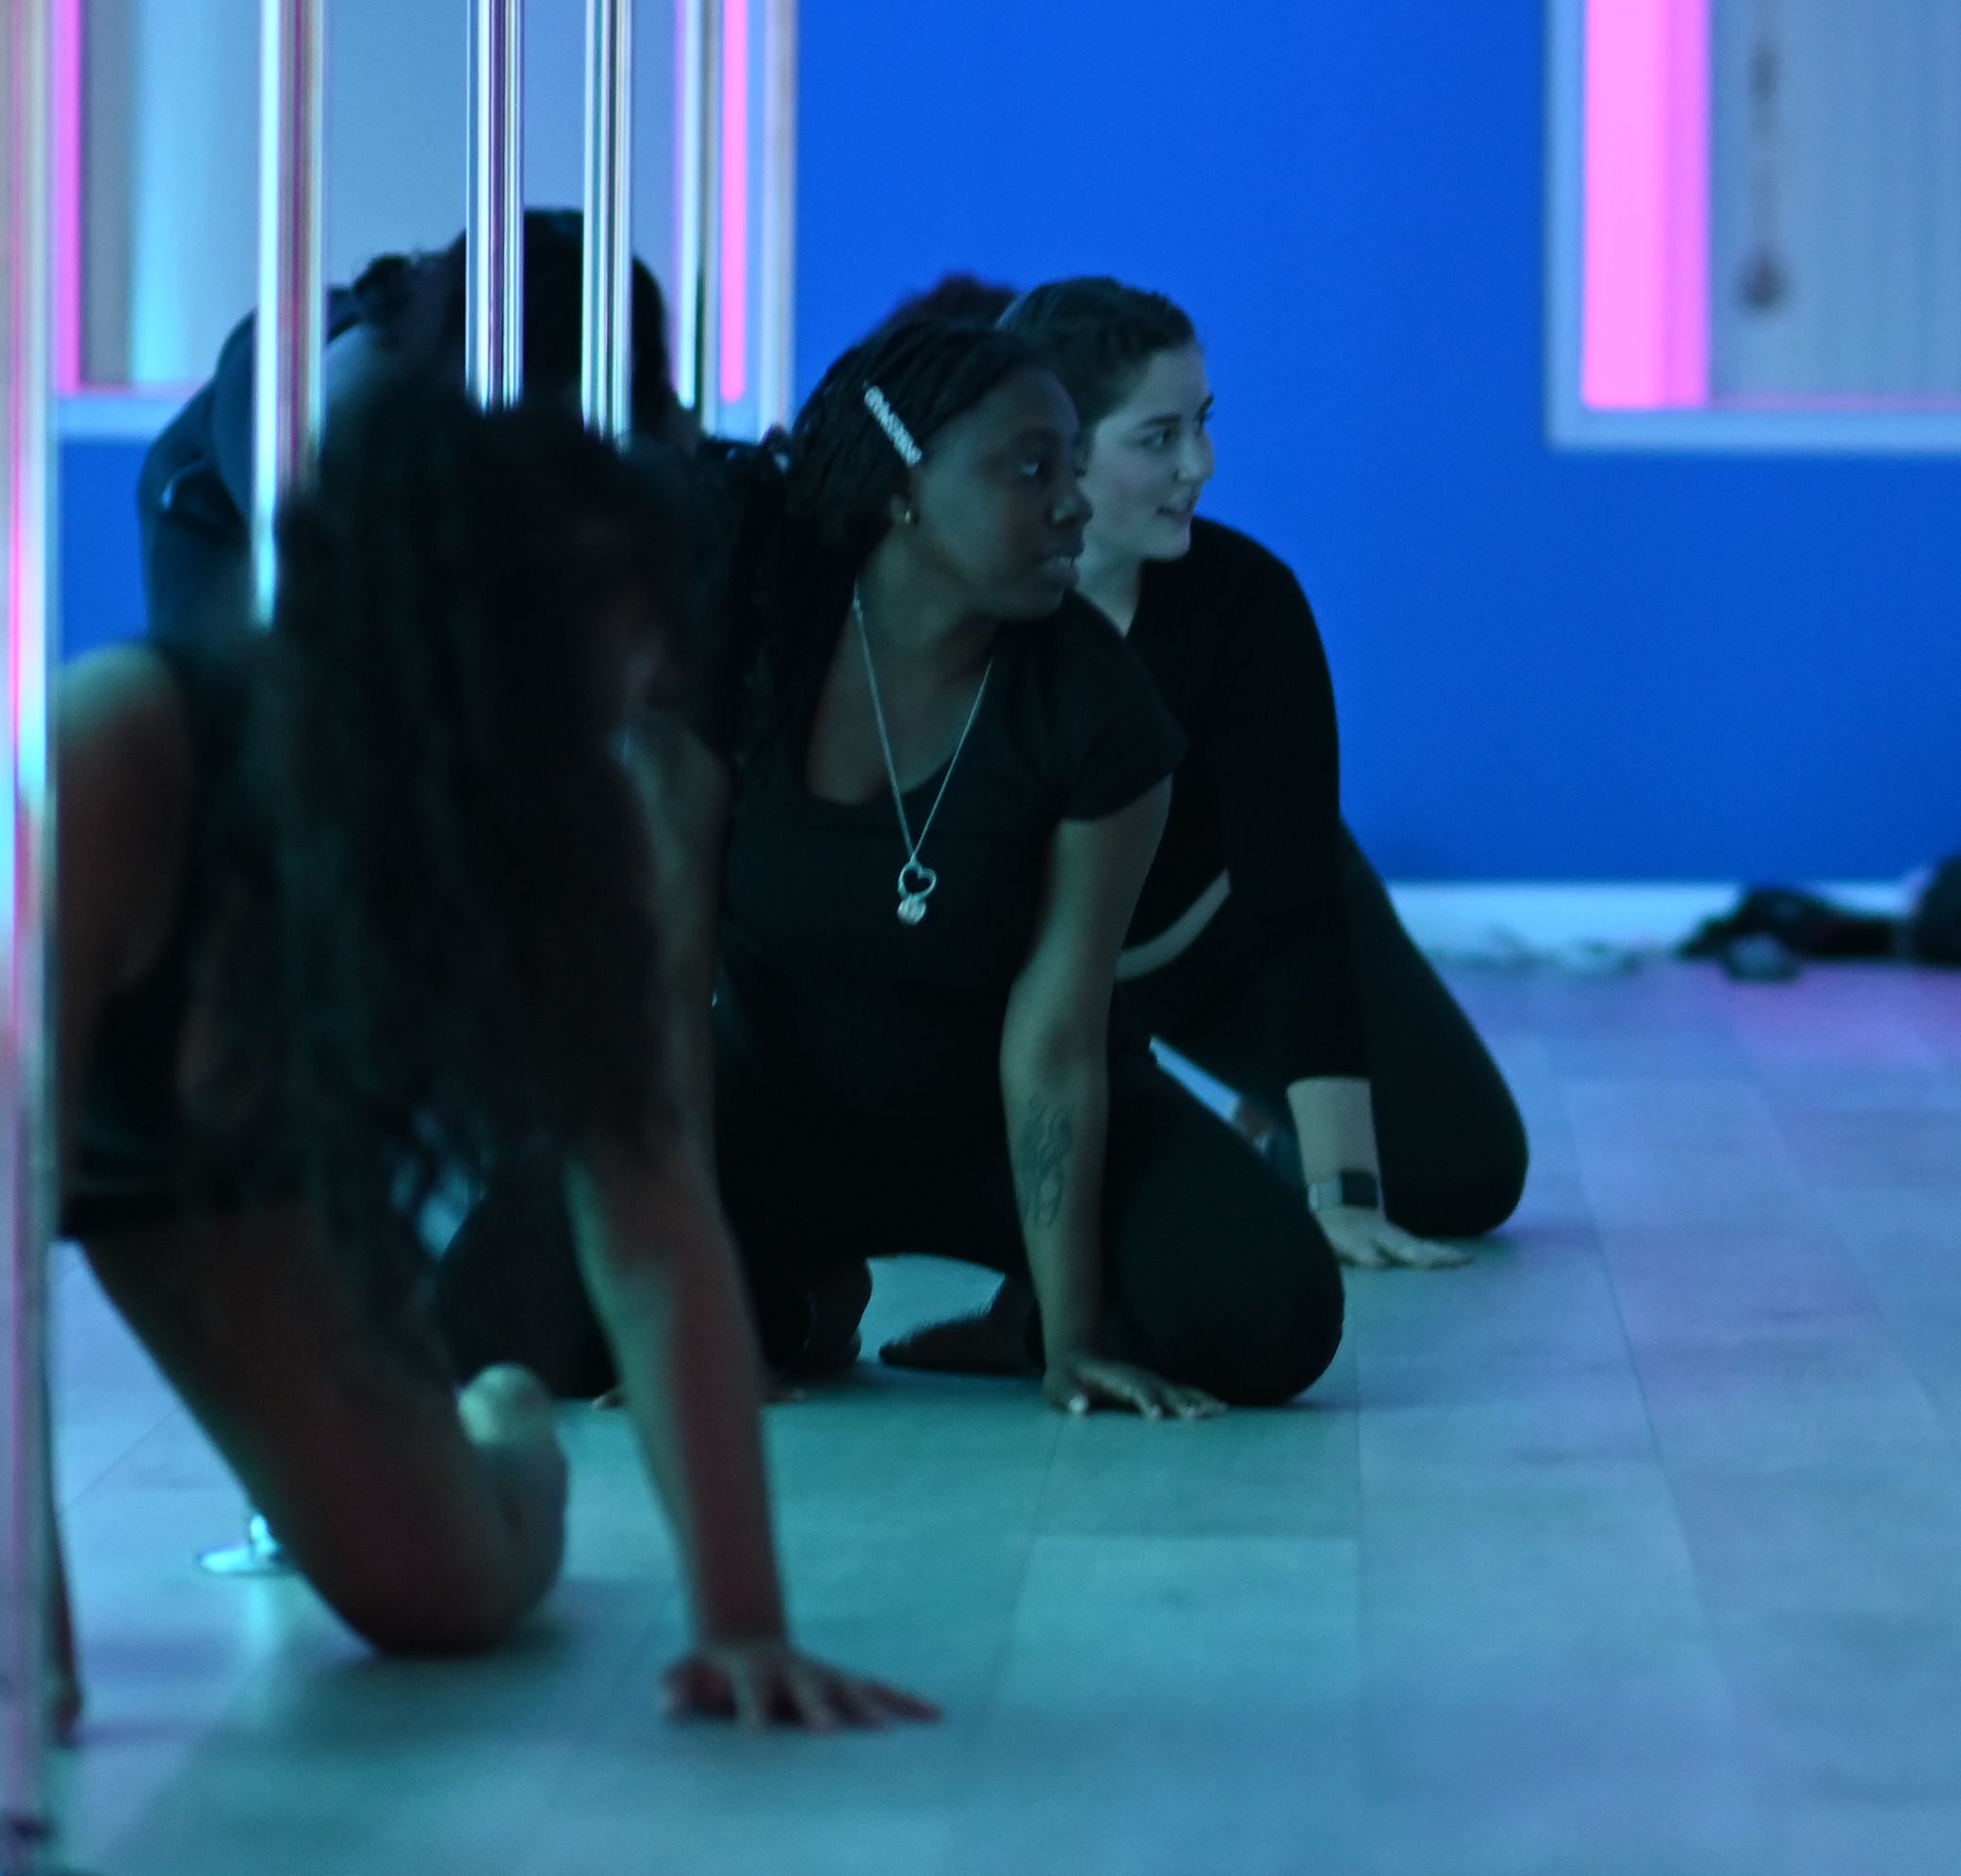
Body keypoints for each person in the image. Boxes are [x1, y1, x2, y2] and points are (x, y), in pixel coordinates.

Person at [0, 383, 927, 1734]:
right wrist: (20, 1657)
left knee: (451, 1601)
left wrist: (743, 1624)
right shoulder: (110, 754)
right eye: (602, 627)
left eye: (641, 629)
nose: (646, 669)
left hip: (202, 1140)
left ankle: (488, 1423)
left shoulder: (584, 833)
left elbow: (658, 1234)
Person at [444, 302, 1347, 1411]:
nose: (1074, 499)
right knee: (493, 1311)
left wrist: (1068, 1345)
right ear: (903, 486)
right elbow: (666, 991)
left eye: (1072, 462)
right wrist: (684, 1307)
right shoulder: (742, 645)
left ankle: (1018, 1318)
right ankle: (792, 1305)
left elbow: (1057, 1039)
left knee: (1274, 1316)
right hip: (775, 1115)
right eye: (1030, 467)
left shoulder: (1101, 708)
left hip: (1003, 1137)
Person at [1001, 275, 1527, 1264]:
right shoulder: (970, 611)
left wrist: (1341, 1195)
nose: (1201, 463)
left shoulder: (1247, 602)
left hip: (1235, 932)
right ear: (1052, 451)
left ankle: (1275, 1127)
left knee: (1467, 1175)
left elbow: (1296, 912)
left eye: (1201, 424)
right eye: (1158, 438)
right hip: (1062, 982)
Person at [135, 213, 683, 652]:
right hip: (212, 514)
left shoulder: (614, 383)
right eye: (562, 399)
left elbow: (674, 467)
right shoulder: (348, 410)